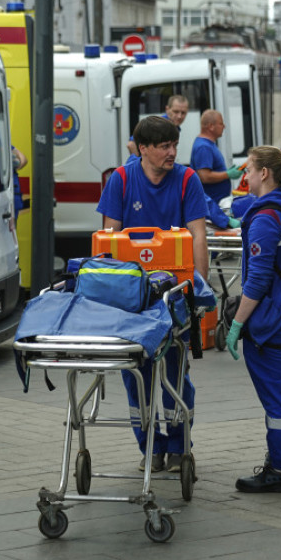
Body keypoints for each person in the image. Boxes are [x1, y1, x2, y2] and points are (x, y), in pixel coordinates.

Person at [96, 115, 209, 474]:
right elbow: (108, 239)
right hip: (132, 297)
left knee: (176, 373)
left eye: (175, 145)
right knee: (136, 375)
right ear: (143, 149)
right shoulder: (122, 179)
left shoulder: (187, 180)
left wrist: (199, 293)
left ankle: (179, 446)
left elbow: (198, 236)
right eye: (164, 146)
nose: (172, 152)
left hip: (174, 296)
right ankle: (150, 446)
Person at [225, 146, 281, 493]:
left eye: (249, 170)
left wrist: (237, 324)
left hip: (270, 320)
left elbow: (257, 281)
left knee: (277, 401)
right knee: (280, 393)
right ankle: (279, 460)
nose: (245, 176)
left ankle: (279, 470)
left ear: (265, 174)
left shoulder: (264, 221)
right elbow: (243, 204)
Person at [190, 109, 241, 205]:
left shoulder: (209, 144)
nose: (224, 126)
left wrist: (226, 172)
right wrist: (228, 174)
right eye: (221, 123)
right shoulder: (203, 147)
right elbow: (204, 176)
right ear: (211, 126)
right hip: (212, 204)